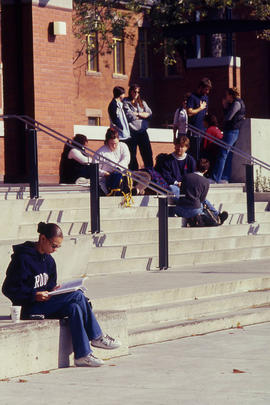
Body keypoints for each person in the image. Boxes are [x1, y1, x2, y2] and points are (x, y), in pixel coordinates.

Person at [2, 222, 121, 367]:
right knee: (78, 296)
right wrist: (34, 295)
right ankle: (97, 337)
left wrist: (55, 290)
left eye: (58, 246)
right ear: (43, 239)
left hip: (45, 304)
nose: (55, 249)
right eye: (53, 245)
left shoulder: (49, 261)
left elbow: (49, 286)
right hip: (29, 308)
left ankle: (82, 355)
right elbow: (8, 288)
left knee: (74, 307)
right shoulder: (22, 259)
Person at [172, 158, 228, 225]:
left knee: (173, 187)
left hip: (180, 210)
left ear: (195, 167)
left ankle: (197, 219)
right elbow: (202, 199)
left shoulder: (186, 176)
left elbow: (182, 192)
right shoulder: (206, 182)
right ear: (206, 170)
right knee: (203, 201)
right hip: (196, 210)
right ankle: (214, 216)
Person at [211, 87, 246, 184]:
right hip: (233, 131)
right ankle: (224, 178)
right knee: (229, 154)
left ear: (231, 95)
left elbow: (228, 117)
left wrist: (225, 106)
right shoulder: (237, 103)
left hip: (231, 131)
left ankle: (216, 178)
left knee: (223, 153)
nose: (226, 97)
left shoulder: (236, 103)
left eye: (227, 95)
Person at [123, 84, 153, 170]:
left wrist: (137, 114)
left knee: (147, 153)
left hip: (143, 132)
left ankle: (150, 171)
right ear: (131, 91)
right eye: (135, 91)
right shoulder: (126, 102)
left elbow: (149, 114)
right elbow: (129, 116)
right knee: (132, 154)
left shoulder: (142, 103)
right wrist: (143, 115)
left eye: (138, 92)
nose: (136, 94)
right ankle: (134, 173)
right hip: (132, 133)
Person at [93, 127, 130, 195]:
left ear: (118, 139)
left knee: (145, 176)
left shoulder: (123, 146)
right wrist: (105, 173)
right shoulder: (100, 152)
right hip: (108, 179)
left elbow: (126, 159)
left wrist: (118, 169)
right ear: (107, 142)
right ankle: (119, 192)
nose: (114, 146)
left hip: (124, 175)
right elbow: (95, 169)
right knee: (116, 176)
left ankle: (136, 190)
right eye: (111, 144)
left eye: (116, 143)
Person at [187, 77, 212, 159]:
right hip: (194, 131)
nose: (207, 92)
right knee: (194, 154)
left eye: (208, 90)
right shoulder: (192, 97)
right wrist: (200, 108)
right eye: (206, 89)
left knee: (202, 154)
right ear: (200, 87)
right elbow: (189, 111)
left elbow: (206, 113)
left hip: (203, 130)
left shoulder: (206, 98)